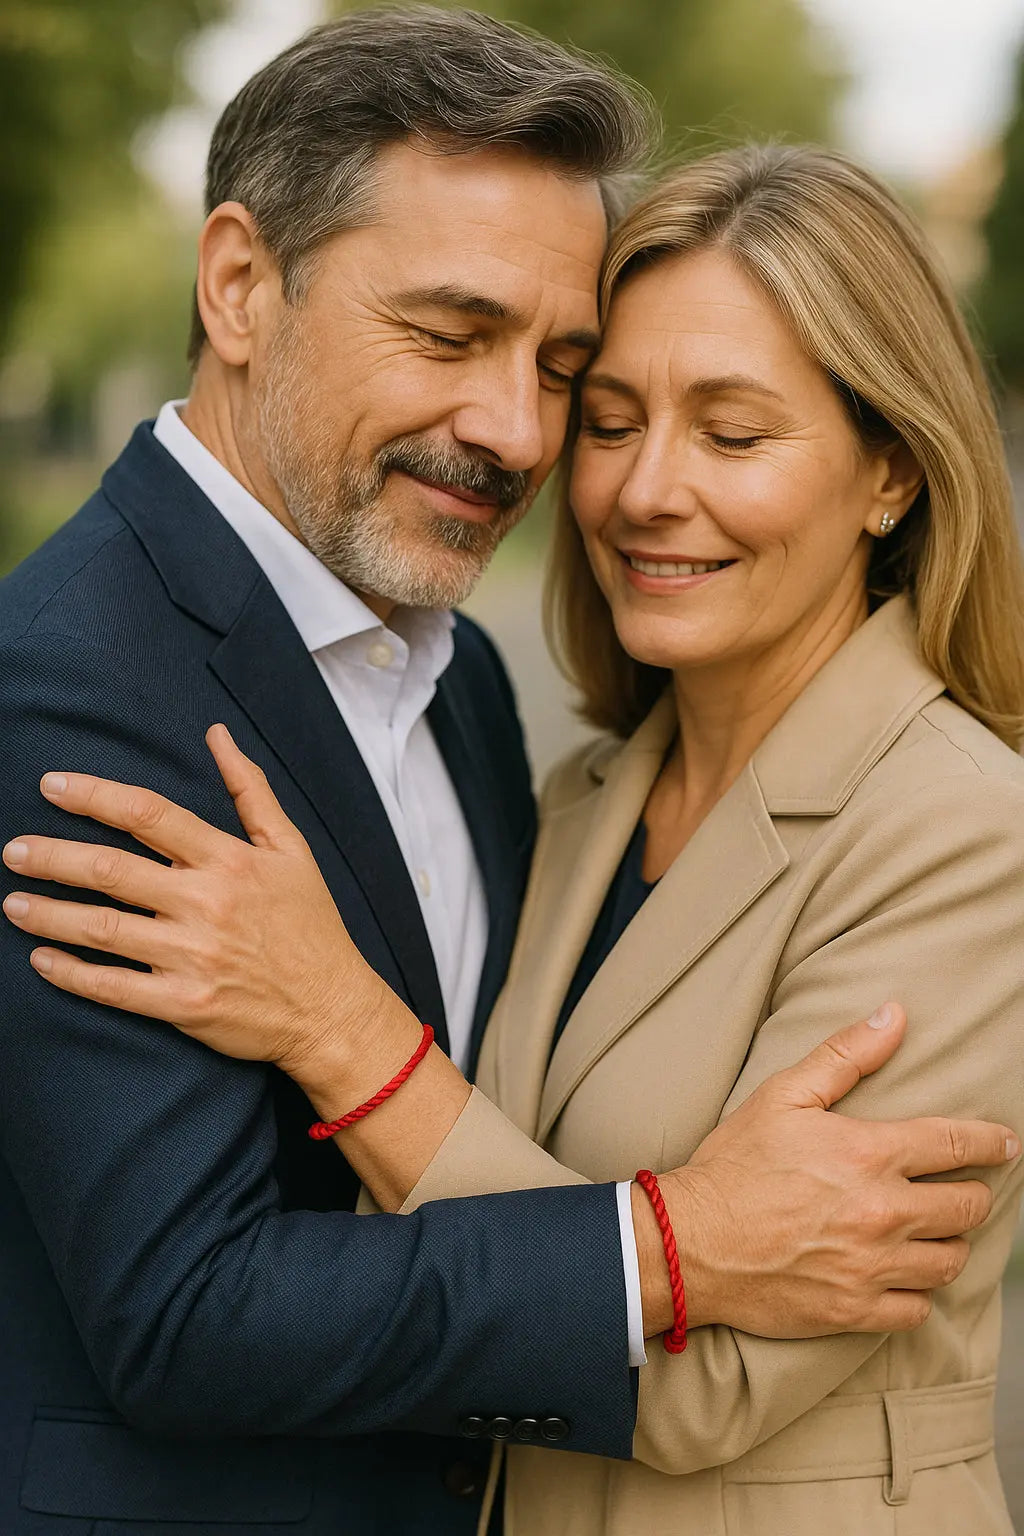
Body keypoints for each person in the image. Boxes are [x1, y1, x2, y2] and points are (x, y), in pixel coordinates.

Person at [0, 15, 1017, 1533]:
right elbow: (183, 1307)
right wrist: (675, 1241)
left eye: (559, 370)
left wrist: (347, 1033)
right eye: (450, 335)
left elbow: (697, 1365)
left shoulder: (466, 685)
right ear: (237, 285)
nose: (521, 432)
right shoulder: (73, 684)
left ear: (892, 472)